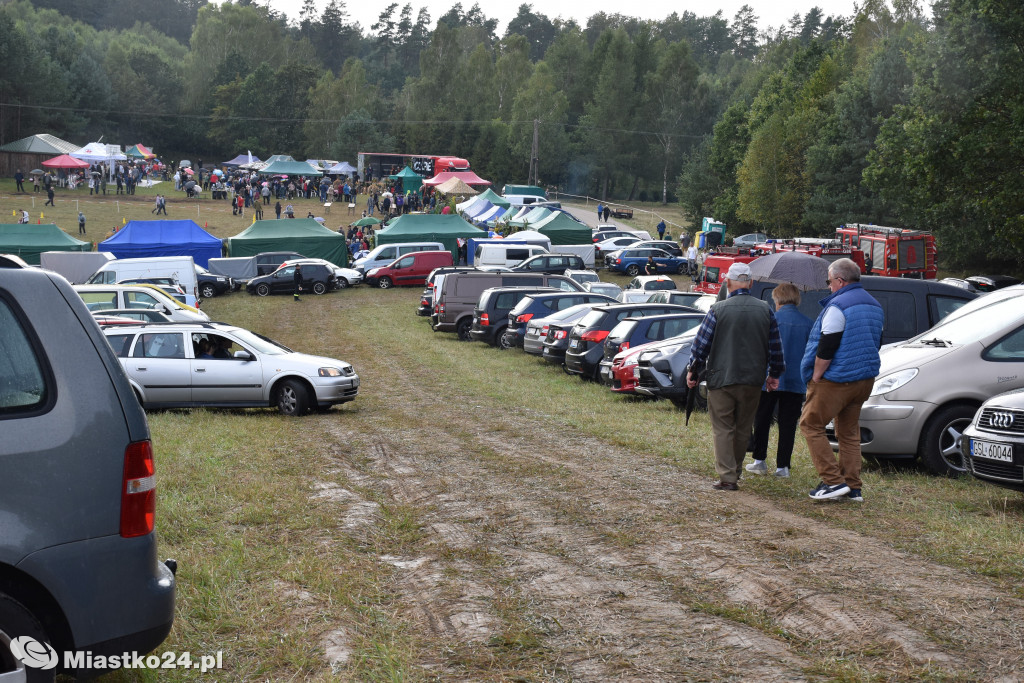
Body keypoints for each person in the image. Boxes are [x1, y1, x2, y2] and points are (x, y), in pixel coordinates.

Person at [686, 262, 785, 490]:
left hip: (722, 378)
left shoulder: (718, 309)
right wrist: (774, 374)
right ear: (750, 283)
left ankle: (727, 477)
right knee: (743, 426)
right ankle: (736, 471)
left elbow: (701, 346)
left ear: (728, 283)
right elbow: (775, 348)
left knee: (723, 428)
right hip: (752, 379)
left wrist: (693, 370)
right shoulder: (765, 309)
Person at [799, 258, 883, 502]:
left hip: (837, 379)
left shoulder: (838, 306)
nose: (828, 286)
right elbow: (877, 342)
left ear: (840, 280)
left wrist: (815, 375)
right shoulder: (875, 305)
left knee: (810, 424)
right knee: (848, 432)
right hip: (864, 379)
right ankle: (852, 486)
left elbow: (827, 346)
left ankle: (832, 481)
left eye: (829, 281)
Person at [746, 283, 813, 478]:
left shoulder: (771, 320)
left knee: (762, 419)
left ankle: (759, 461)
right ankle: (783, 466)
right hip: (796, 380)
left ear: (778, 299)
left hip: (769, 378)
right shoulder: (808, 323)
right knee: (788, 424)